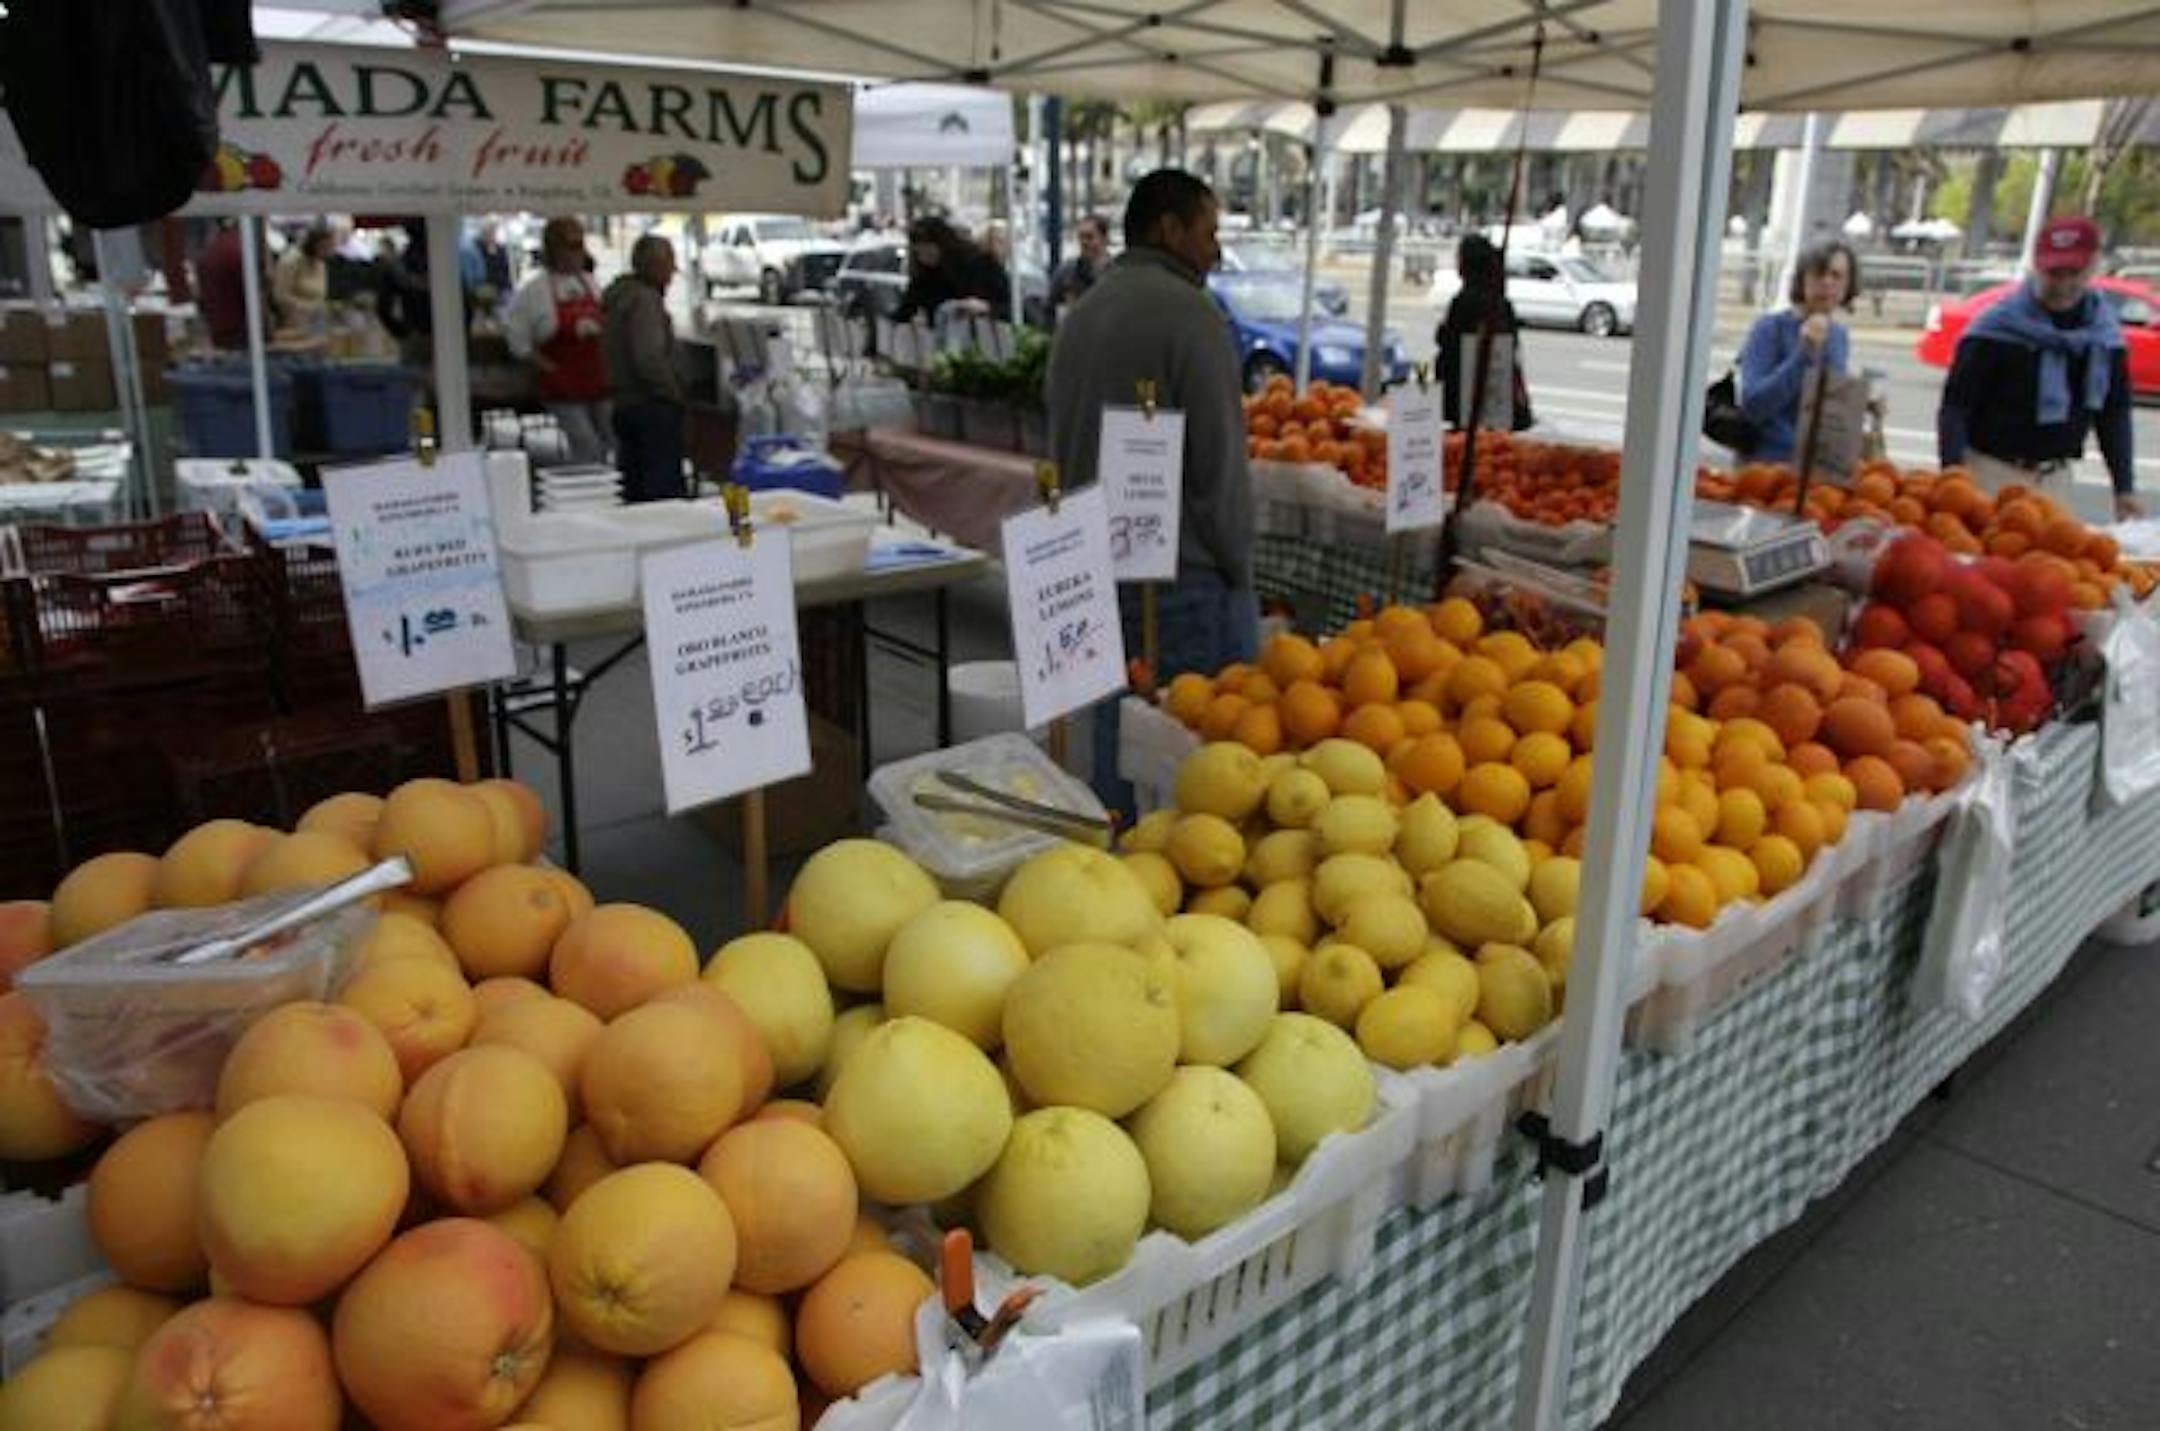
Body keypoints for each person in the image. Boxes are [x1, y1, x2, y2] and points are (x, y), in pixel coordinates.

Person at [1048, 169, 1255, 809]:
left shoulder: (1083, 312)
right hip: (1182, 582)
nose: (1217, 250)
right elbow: (1219, 461)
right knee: (1191, 778)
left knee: (1117, 746)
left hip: (1096, 563)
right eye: (1209, 231)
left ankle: (1113, 880)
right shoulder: (1192, 315)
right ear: (1170, 229)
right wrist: (1236, 568)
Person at [1938, 216, 2140, 518]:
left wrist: (2123, 487)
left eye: (2075, 272)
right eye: (2054, 273)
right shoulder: (1993, 330)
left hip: (2055, 479)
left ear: (2094, 266)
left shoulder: (2104, 337)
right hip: (1990, 474)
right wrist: (1953, 476)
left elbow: (2113, 413)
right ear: (2036, 265)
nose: (2063, 284)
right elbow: (1956, 407)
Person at [1735, 239, 1857, 463]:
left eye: (1837, 276)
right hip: (1767, 466)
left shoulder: (1839, 336)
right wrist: (1803, 354)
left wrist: (1861, 404)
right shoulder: (1770, 328)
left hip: (1817, 468)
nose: (1827, 283)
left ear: (1848, 285)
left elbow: (1826, 402)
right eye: (1819, 274)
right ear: (1802, 280)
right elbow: (1753, 404)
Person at [504, 217, 611, 465]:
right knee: (586, 445)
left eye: (580, 246)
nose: (577, 253)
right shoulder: (534, 291)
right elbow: (517, 339)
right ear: (554, 250)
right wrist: (546, 367)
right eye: (570, 246)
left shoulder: (591, 283)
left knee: (611, 440)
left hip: (597, 380)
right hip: (562, 385)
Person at [602, 234, 688, 503]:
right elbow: (648, 358)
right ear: (654, 266)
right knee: (661, 489)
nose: (673, 272)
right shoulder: (644, 300)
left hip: (624, 402)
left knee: (635, 484)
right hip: (651, 406)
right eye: (669, 264)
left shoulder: (619, 295)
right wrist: (673, 392)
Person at [1436, 234, 1532, 431]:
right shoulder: (1501, 302)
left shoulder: (1464, 303)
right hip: (1497, 396)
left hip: (1466, 394)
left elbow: (1452, 348)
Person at [892, 216, 1009, 323]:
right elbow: (906, 309)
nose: (923, 257)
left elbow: (1011, 308)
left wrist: (986, 308)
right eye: (919, 252)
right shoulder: (925, 276)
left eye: (927, 250)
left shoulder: (981, 264)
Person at [1047, 213, 1110, 321]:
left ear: (1104, 239)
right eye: (1081, 237)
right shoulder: (1066, 272)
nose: (1084, 242)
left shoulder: (1116, 273)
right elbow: (1049, 308)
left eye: (1089, 237)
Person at [272, 224, 333, 331]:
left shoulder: (320, 263)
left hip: (317, 322)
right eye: (325, 246)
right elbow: (280, 296)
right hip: (294, 324)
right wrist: (308, 308)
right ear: (315, 244)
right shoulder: (291, 261)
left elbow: (320, 295)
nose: (329, 251)